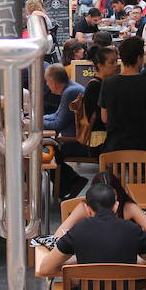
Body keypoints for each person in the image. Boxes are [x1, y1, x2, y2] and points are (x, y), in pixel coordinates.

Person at [37, 183, 146, 290]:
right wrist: (135, 261)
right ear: (116, 206)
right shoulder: (132, 230)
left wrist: (78, 261)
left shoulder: (78, 231)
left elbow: (45, 268)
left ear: (87, 209)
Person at [55, 171, 146, 245]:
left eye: (111, 196)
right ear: (88, 206)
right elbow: (58, 235)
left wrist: (134, 245)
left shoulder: (129, 208)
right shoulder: (84, 207)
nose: (106, 201)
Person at [99, 36, 146, 152]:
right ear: (139, 58)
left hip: (114, 147)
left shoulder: (108, 83)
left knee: (114, 171)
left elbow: (105, 118)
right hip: (140, 146)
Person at [43, 64, 88, 199]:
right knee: (48, 148)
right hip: (76, 139)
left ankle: (72, 182)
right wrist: (41, 118)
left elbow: (57, 123)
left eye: (47, 81)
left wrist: (36, 122)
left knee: (47, 151)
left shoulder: (70, 92)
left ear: (53, 82)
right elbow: (58, 115)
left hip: (77, 143)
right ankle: (69, 183)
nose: (47, 84)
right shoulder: (71, 88)